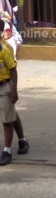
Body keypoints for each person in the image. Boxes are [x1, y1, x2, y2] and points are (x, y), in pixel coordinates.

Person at [0, 19, 26, 166]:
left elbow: (13, 70)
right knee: (10, 114)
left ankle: (7, 150)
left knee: (7, 120)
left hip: (5, 87)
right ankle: (22, 140)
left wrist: (14, 90)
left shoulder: (4, 49)